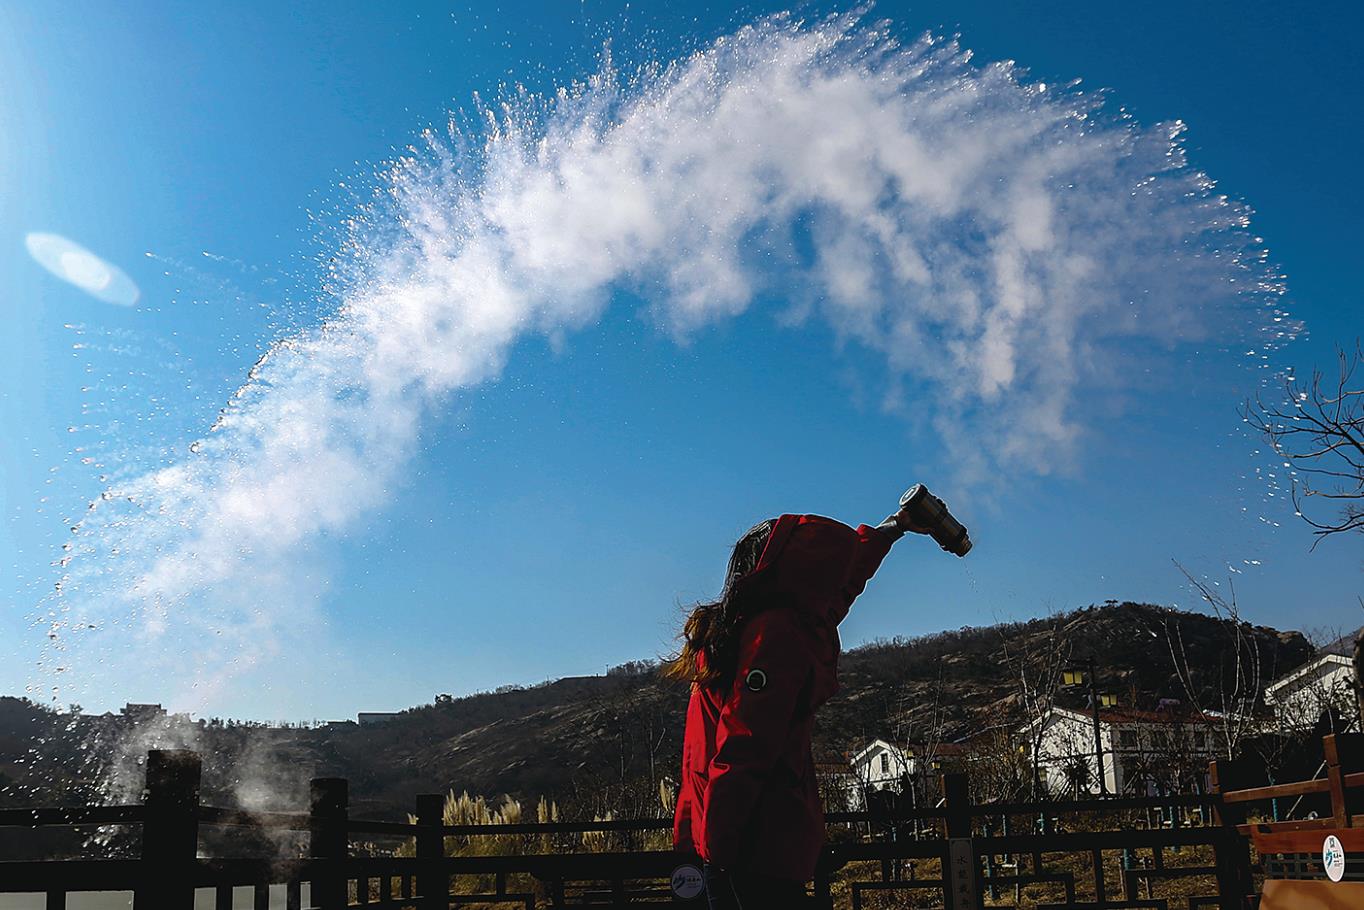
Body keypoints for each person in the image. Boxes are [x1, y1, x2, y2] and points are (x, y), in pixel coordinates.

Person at [667, 497, 934, 909]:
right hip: (751, 845)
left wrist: (894, 526)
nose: (832, 581)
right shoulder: (774, 635)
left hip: (723, 833)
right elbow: (744, 746)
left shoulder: (744, 626)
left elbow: (842, 582)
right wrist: (720, 851)